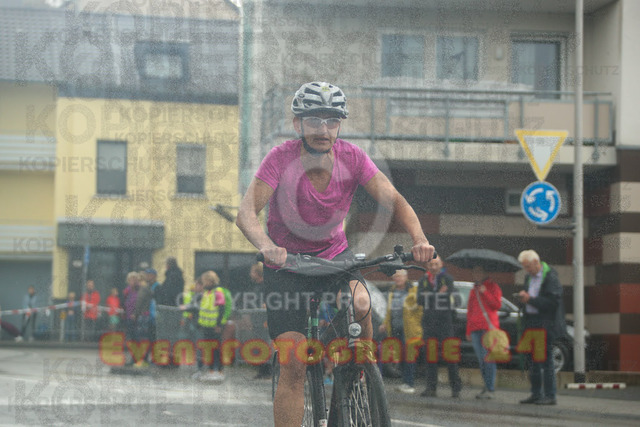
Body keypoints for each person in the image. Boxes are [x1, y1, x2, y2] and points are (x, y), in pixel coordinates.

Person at [235, 81, 435, 427]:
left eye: (331, 121)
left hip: (334, 258)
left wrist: (419, 238)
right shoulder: (280, 158)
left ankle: (357, 372)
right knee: (294, 363)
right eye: (314, 120)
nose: (323, 129)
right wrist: (267, 246)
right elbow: (246, 214)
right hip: (288, 266)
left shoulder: (352, 158)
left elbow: (395, 200)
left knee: (362, 303)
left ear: (339, 125)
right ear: (298, 124)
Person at [516, 250, 565, 406]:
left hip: (545, 324)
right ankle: (536, 393)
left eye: (528, 266)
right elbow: (529, 299)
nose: (527, 270)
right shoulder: (528, 277)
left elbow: (552, 303)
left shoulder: (550, 277)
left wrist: (530, 300)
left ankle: (550, 395)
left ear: (536, 262)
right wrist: (522, 299)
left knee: (545, 360)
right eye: (524, 267)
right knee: (532, 361)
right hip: (531, 322)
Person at [417, 255, 462, 398]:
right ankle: (431, 388)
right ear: (427, 266)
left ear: (441, 264)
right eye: (431, 264)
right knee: (430, 356)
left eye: (436, 264)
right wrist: (437, 293)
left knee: (450, 355)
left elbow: (448, 296)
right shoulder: (423, 280)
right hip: (429, 323)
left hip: (445, 323)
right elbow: (419, 299)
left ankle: (455, 388)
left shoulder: (447, 279)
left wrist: (429, 295)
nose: (433, 267)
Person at [379, 270, 421, 394]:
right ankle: (405, 381)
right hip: (395, 327)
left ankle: (409, 383)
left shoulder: (413, 290)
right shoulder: (392, 291)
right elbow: (389, 310)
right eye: (395, 277)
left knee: (409, 355)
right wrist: (385, 323)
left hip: (409, 329)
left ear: (405, 277)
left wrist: (417, 322)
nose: (397, 279)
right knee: (400, 355)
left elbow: (420, 309)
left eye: (400, 276)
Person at [466, 264, 502, 399]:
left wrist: (485, 292)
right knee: (481, 360)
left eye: (479, 272)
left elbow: (497, 305)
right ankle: (486, 386)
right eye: (475, 272)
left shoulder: (493, 287)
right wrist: (468, 330)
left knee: (488, 358)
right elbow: (470, 311)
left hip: (488, 328)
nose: (476, 274)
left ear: (485, 273)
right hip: (475, 328)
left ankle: (490, 388)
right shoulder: (473, 290)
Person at [194, 270, 227, 381]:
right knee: (209, 348)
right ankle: (211, 370)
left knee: (216, 348)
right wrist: (200, 323)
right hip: (206, 326)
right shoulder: (207, 292)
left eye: (204, 281)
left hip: (214, 326)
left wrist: (218, 324)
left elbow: (221, 308)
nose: (203, 284)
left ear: (210, 281)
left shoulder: (218, 292)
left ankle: (218, 371)